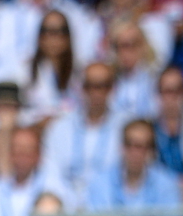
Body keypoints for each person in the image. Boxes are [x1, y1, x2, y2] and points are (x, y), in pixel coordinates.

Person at [41, 62, 123, 200]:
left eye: (101, 86)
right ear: (82, 88)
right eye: (89, 86)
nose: (95, 92)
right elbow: (51, 174)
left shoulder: (124, 127)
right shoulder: (60, 128)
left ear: (111, 89)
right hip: (67, 205)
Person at [85, 119, 182, 209]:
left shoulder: (166, 185)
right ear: (121, 147)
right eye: (129, 145)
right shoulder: (100, 183)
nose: (134, 152)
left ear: (151, 151)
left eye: (140, 146)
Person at [0, 127, 68, 216]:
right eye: (17, 150)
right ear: (9, 154)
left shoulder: (57, 189)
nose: (22, 157)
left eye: (28, 151)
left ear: (38, 155)